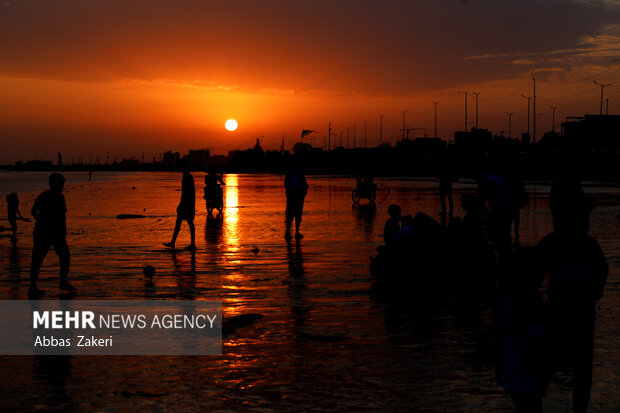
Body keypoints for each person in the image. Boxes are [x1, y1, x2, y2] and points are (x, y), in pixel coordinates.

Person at [535, 175, 607, 413]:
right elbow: (599, 283)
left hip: (568, 314)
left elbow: (529, 273)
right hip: (575, 315)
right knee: (578, 372)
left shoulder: (556, 244)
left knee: (558, 369)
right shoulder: (583, 246)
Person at [498, 248, 550, 413]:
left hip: (514, 370)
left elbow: (502, 336)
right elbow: (535, 345)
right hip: (528, 375)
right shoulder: (535, 308)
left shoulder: (510, 302)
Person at [29, 173, 75, 297]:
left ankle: (63, 281)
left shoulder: (61, 197)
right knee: (37, 259)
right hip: (43, 233)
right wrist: (42, 221)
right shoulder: (44, 196)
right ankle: (32, 286)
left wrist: (63, 232)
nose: (62, 187)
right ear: (54, 184)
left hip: (57, 234)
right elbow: (33, 211)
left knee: (65, 257)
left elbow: (62, 216)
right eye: (61, 184)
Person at [164, 167, 196, 250]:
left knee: (184, 222)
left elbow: (186, 192)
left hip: (187, 204)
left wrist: (181, 204)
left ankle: (190, 243)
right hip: (188, 203)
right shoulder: (188, 176)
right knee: (185, 222)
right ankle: (175, 242)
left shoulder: (187, 177)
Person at [284, 143, 308, 241]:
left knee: (294, 213)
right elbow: (296, 176)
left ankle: (293, 232)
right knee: (293, 213)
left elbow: (297, 177)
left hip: (294, 191)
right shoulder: (296, 161)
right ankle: (291, 232)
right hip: (294, 191)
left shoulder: (295, 161)